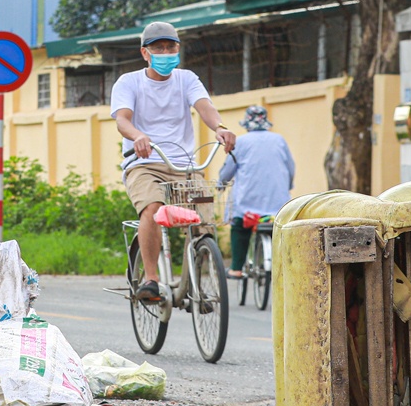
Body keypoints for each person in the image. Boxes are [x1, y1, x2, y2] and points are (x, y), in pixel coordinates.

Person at [111, 21, 235, 303]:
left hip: (184, 166)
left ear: (178, 49)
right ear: (145, 53)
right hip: (144, 163)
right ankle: (152, 280)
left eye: (170, 47)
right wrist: (138, 136)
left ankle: (195, 276)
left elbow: (206, 108)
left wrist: (220, 128)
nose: (165, 53)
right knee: (153, 207)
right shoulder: (128, 82)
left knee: (205, 219)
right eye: (158, 48)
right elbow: (122, 119)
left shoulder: (187, 79)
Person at [217, 104, 296, 276]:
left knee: (239, 227)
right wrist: (287, 186)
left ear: (247, 123)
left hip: (248, 205)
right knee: (280, 232)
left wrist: (220, 184)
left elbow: (228, 170)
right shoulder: (279, 140)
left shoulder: (241, 142)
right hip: (278, 205)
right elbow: (291, 167)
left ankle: (236, 269)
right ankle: (283, 270)